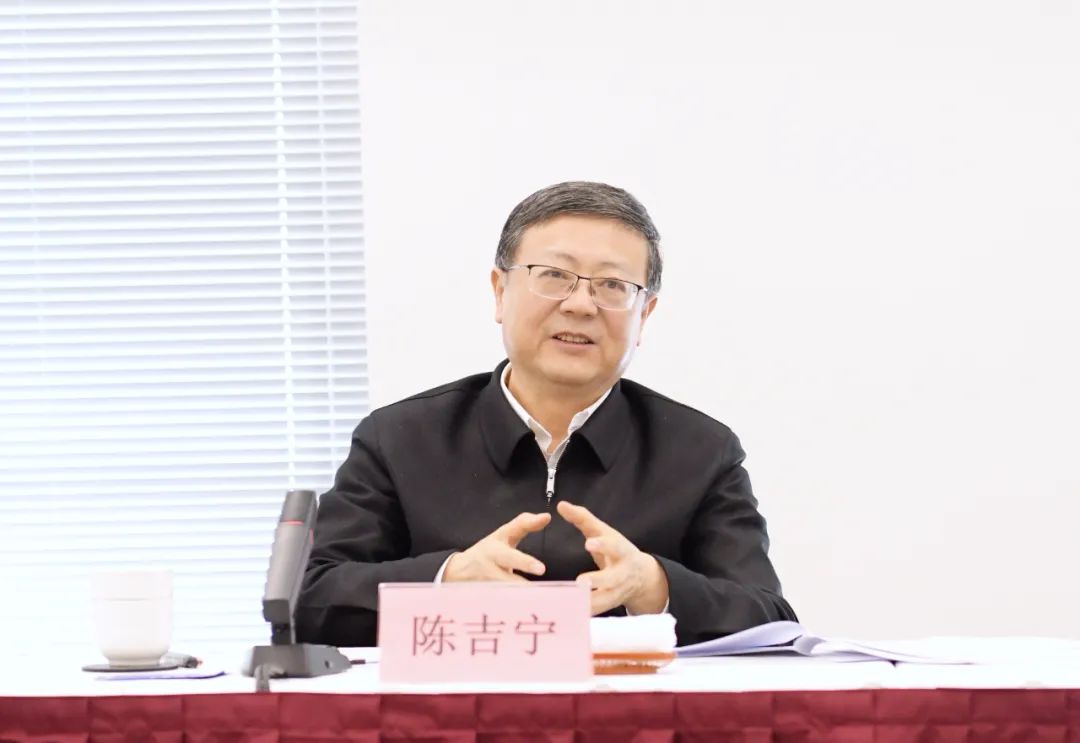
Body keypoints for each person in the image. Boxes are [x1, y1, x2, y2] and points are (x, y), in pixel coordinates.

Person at [296, 181, 796, 647]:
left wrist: (655, 586)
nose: (581, 305)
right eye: (554, 276)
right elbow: (310, 602)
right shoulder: (400, 438)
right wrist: (448, 580)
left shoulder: (700, 452)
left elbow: (771, 620)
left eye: (612, 285)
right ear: (500, 291)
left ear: (644, 315)